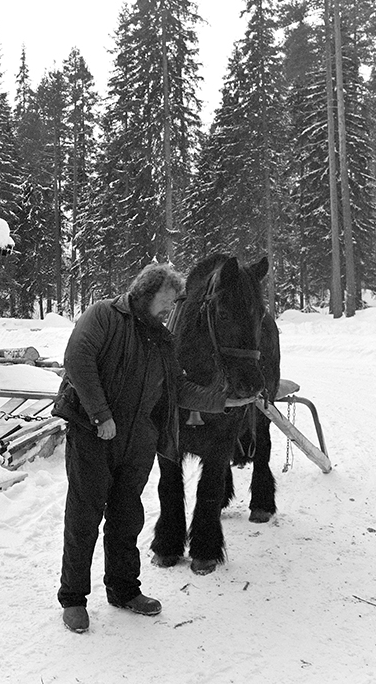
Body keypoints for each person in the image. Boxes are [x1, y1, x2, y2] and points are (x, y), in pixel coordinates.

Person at [52, 262, 253, 633]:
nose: (170, 309)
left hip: (136, 441)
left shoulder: (162, 338)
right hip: (93, 435)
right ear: (145, 293)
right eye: (166, 301)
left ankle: (124, 589)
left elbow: (178, 388)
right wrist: (101, 415)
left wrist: (223, 401)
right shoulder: (103, 315)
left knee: (127, 518)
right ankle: (74, 599)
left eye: (174, 303)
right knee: (84, 518)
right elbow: (77, 361)